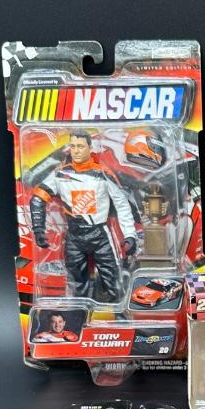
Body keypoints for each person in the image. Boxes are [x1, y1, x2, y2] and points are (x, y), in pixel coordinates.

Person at [29, 130, 137, 303]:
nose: (76, 151)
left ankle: (118, 314)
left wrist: (130, 235)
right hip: (74, 236)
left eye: (80, 146)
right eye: (73, 146)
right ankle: (80, 315)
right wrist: (38, 230)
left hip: (100, 235)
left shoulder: (102, 173)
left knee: (114, 283)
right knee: (77, 287)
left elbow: (122, 204)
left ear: (89, 147)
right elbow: (37, 199)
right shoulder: (60, 174)